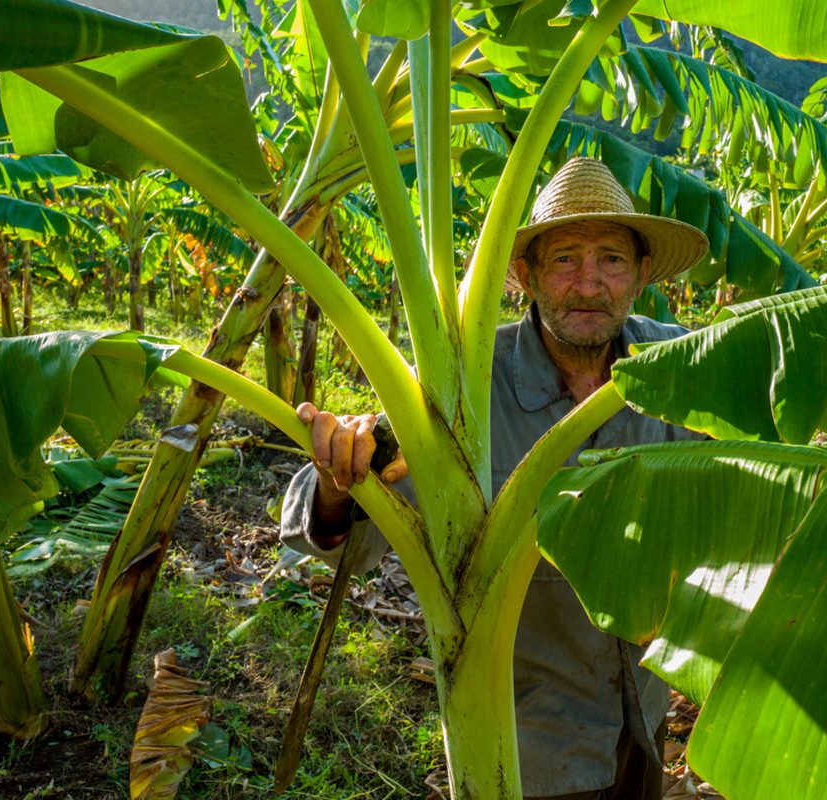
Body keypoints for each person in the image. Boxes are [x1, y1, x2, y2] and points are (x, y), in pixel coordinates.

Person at [282, 157, 710, 799]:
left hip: (641, 725)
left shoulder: (680, 366)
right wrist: (342, 479)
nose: (589, 284)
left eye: (612, 260)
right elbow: (341, 537)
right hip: (522, 752)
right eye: (565, 258)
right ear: (523, 274)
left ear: (643, 274)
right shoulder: (467, 392)